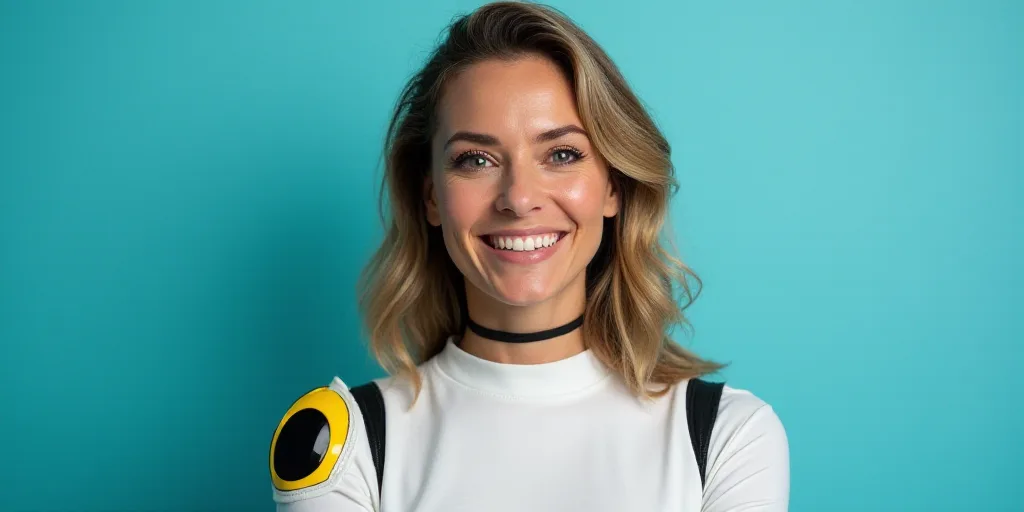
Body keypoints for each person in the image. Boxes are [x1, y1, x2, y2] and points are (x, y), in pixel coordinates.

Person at [268, 2, 790, 510]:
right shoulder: (343, 443)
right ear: (431, 197)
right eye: (476, 160)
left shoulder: (727, 436)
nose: (518, 199)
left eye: (561, 154)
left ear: (613, 187)